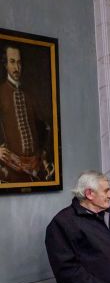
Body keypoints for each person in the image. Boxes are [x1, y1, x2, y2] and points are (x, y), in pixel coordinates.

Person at [0, 44, 54, 184]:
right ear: (5, 64)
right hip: (11, 169)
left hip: (35, 166)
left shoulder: (30, 95)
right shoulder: (1, 92)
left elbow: (45, 127)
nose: (16, 67)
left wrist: (42, 153)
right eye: (12, 62)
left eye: (19, 62)